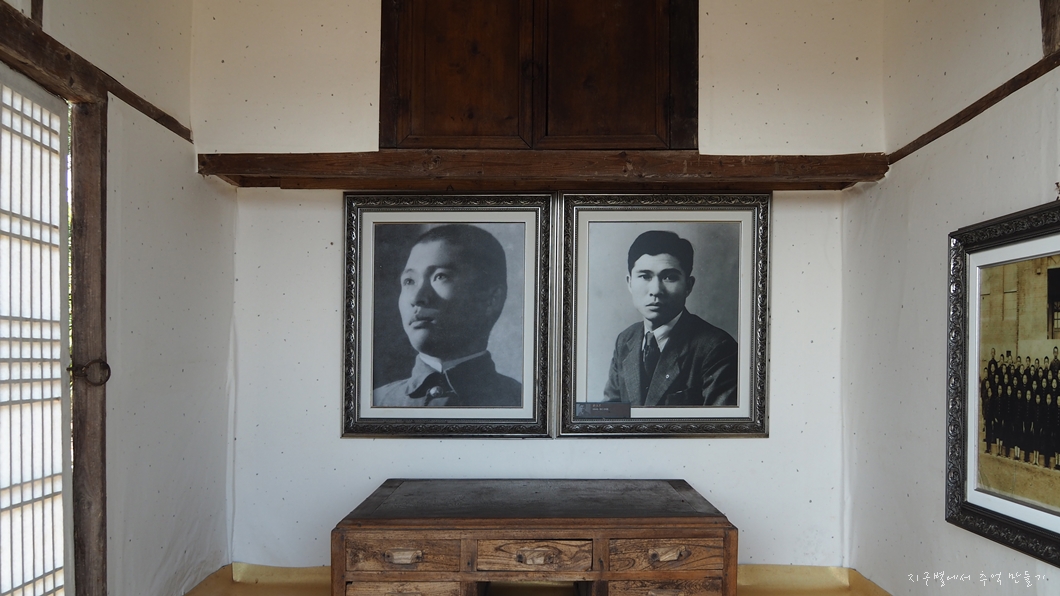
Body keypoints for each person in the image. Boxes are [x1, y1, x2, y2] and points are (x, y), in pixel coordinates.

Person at [373, 224, 521, 407]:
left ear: (492, 300)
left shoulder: (521, 403)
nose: (417, 298)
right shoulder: (376, 403)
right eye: (409, 281)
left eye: (441, 276)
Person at [602, 230, 738, 406]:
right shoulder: (625, 340)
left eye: (669, 277)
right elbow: (609, 413)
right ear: (629, 283)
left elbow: (721, 422)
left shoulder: (717, 348)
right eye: (645, 276)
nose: (656, 290)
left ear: (688, 286)